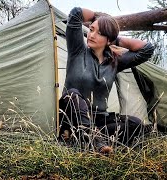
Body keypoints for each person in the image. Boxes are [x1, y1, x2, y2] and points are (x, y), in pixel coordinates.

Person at [58, 7, 155, 154]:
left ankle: (84, 141)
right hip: (71, 117)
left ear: (108, 40)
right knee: (72, 94)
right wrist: (99, 17)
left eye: (100, 33)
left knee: (135, 124)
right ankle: (95, 142)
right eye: (91, 29)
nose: (91, 35)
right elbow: (76, 13)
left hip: (99, 121)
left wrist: (116, 38)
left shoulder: (114, 62)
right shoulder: (77, 50)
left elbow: (146, 49)